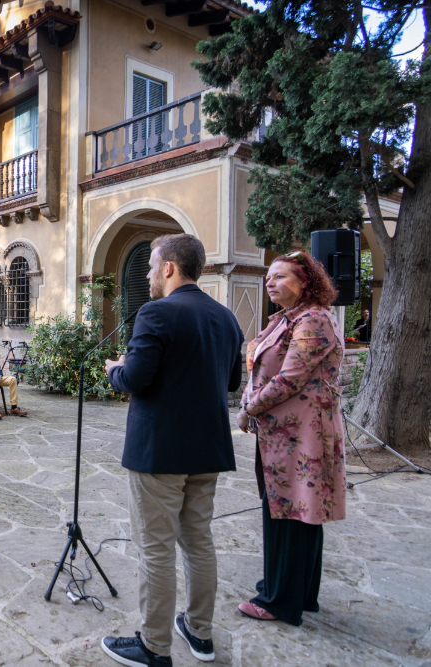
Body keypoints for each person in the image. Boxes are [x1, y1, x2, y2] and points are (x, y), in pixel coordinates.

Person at [100, 234, 243, 667]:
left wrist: (115, 371)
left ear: (168, 268)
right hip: (207, 450)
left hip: (159, 452)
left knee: (156, 548)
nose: (145, 275)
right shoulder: (226, 318)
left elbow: (137, 379)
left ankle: (154, 646)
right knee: (198, 541)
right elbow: (232, 383)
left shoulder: (156, 313)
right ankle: (200, 633)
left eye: (150, 266)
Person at [236, 251, 347, 626]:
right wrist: (250, 402)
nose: (271, 282)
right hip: (285, 432)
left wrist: (249, 409)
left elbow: (289, 378)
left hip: (302, 435)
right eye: (269, 276)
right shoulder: (286, 319)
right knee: (296, 511)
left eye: (281, 277)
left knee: (291, 512)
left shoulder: (313, 319)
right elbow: (262, 372)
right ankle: (297, 591)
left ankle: (280, 601)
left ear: (306, 283)